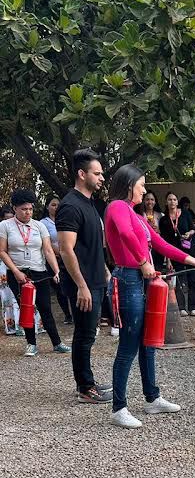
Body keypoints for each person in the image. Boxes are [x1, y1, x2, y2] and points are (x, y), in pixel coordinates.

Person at [105, 165, 195, 428]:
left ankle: (152, 398)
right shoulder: (117, 207)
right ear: (129, 184)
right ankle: (119, 408)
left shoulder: (137, 215)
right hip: (128, 278)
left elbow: (161, 243)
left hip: (142, 280)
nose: (145, 189)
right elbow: (125, 235)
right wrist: (143, 262)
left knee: (149, 341)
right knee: (129, 345)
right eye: (141, 184)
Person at [57, 148, 112, 403]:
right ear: (82, 174)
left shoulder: (89, 203)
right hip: (84, 284)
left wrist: (104, 268)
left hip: (95, 279)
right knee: (83, 334)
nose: (101, 178)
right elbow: (66, 249)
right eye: (97, 173)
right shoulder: (70, 205)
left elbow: (92, 244)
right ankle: (84, 388)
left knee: (89, 334)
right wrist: (81, 285)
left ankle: (87, 381)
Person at [0, 188, 70, 357]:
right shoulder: (5, 226)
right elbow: (2, 251)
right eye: (24, 209)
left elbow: (47, 250)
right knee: (26, 308)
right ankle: (31, 343)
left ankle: (57, 342)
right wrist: (15, 271)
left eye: (30, 209)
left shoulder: (39, 226)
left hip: (39, 271)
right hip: (18, 273)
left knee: (45, 307)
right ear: (15, 208)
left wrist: (55, 270)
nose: (28, 212)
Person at [159, 191, 195, 317]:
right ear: (166, 202)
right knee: (179, 279)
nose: (172, 202)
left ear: (177, 202)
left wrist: (190, 233)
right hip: (175, 252)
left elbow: (193, 228)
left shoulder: (185, 214)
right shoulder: (164, 220)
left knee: (192, 279)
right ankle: (181, 306)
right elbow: (164, 241)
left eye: (174, 199)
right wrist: (169, 259)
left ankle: (193, 306)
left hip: (189, 250)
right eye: (170, 199)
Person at [41, 194, 73, 324]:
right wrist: (61, 252)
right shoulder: (43, 223)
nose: (56, 207)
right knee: (60, 287)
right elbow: (47, 243)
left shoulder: (66, 218)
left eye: (58, 205)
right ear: (47, 207)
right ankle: (67, 314)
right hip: (55, 259)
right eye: (53, 205)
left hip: (70, 257)